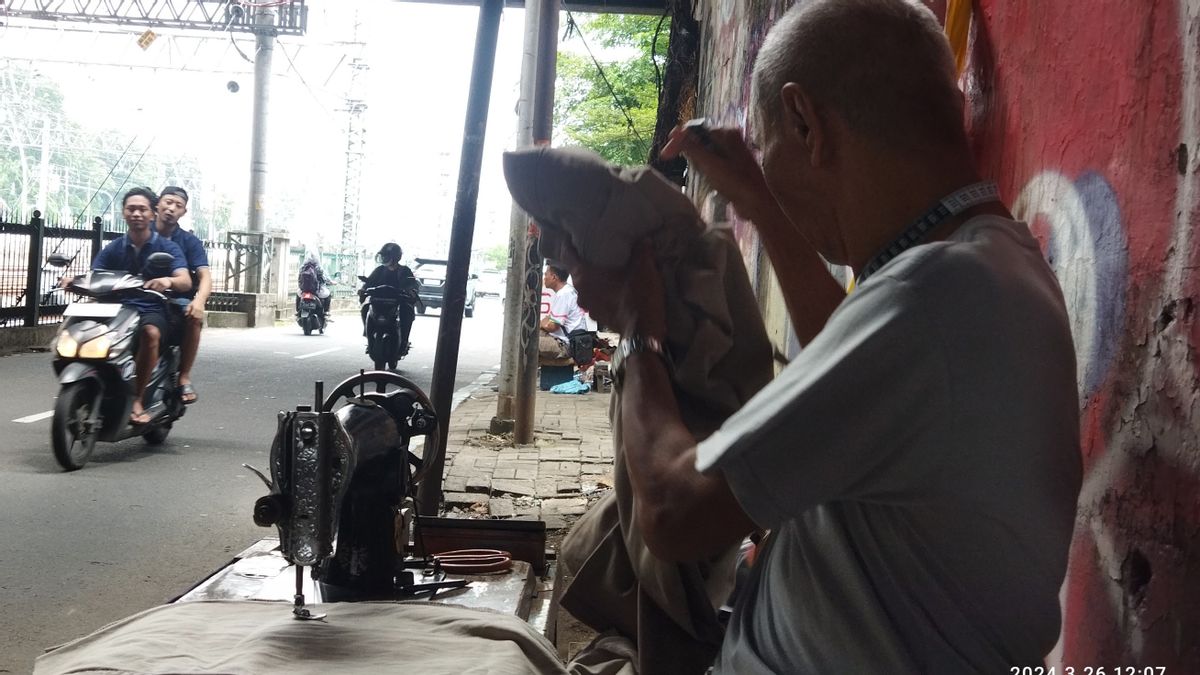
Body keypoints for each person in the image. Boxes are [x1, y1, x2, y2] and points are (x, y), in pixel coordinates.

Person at [561, 1, 1083, 672]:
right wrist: (757, 197)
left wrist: (639, 337)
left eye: (773, 148)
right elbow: (860, 360)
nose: (770, 174)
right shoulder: (992, 263)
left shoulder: (928, 300)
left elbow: (672, 511)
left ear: (806, 121)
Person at [91, 187, 192, 425]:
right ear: (124, 213)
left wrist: (167, 280)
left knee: (151, 333)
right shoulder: (114, 247)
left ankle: (136, 398)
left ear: (151, 213)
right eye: (131, 209)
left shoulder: (168, 248)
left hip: (151, 308)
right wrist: (72, 282)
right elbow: (95, 274)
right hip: (117, 309)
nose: (136, 213)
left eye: (142, 209)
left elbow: (185, 280)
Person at [155, 186, 208, 405]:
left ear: (183, 213)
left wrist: (199, 301)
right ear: (157, 204)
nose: (171, 209)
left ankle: (183, 376)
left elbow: (205, 276)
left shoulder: (188, 242)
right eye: (168, 202)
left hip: (175, 298)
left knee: (193, 318)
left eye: (178, 206)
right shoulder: (140, 233)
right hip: (138, 295)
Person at [359, 242, 418, 355]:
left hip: (398, 302)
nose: (384, 258)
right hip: (379, 302)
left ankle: (404, 340)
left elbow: (412, 284)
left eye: (387, 256)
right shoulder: (379, 270)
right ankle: (369, 336)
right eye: (383, 255)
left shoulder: (405, 270)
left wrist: (411, 292)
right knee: (365, 307)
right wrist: (363, 289)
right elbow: (369, 282)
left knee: (408, 310)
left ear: (395, 257)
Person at [537, 262, 585, 363]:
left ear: (554, 277)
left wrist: (540, 324)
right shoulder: (568, 290)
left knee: (525, 342)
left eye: (546, 274)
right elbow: (549, 319)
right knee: (532, 334)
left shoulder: (563, 294)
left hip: (565, 345)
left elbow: (553, 326)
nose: (544, 278)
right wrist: (542, 324)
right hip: (570, 341)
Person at [297, 252, 333, 321]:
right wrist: (331, 282)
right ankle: (326, 312)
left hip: (304, 290)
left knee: (297, 294)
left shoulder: (303, 267)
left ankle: (297, 311)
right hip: (316, 291)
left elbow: (299, 279)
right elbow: (324, 278)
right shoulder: (318, 267)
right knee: (328, 294)